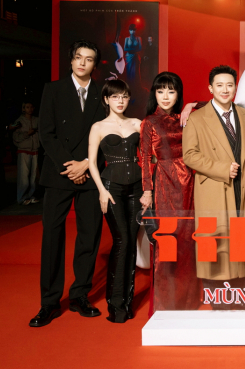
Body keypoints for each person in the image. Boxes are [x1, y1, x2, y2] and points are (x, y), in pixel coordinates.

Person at [30, 40, 105, 328]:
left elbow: (108, 135)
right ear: (71, 60)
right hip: (59, 173)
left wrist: (86, 163)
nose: (82, 63)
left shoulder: (102, 93)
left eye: (89, 59)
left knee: (89, 236)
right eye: (78, 57)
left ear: (95, 65)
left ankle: (80, 295)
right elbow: (46, 134)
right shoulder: (53, 90)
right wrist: (70, 165)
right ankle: (49, 302)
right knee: (52, 236)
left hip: (90, 173)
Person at [183, 65, 245, 310]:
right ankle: (219, 299)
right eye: (219, 85)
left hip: (242, 188)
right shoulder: (197, 118)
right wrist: (221, 168)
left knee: (241, 240)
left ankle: (241, 296)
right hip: (214, 188)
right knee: (215, 242)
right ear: (210, 88)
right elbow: (189, 155)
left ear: (235, 87)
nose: (225, 90)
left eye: (229, 85)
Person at [139, 72, 199, 313]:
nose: (165, 96)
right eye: (160, 90)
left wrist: (192, 105)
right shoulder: (149, 122)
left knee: (188, 240)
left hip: (190, 183)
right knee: (168, 240)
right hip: (165, 182)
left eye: (171, 91)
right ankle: (167, 302)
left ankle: (188, 300)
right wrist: (147, 191)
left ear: (178, 94)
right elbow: (144, 159)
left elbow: (214, 104)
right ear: (154, 93)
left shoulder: (186, 117)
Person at [87, 80, 142, 323]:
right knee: (122, 241)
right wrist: (101, 190)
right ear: (106, 99)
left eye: (124, 96)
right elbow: (91, 162)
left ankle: (127, 303)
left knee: (131, 244)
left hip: (137, 188)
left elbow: (150, 155)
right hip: (111, 189)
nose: (120, 101)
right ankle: (115, 303)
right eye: (115, 96)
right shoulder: (98, 127)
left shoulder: (137, 123)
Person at [12, 101, 40, 205]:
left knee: (33, 177)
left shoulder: (36, 120)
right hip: (24, 150)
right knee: (23, 176)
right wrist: (27, 134)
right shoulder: (19, 121)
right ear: (23, 109)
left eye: (31, 107)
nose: (30, 109)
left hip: (34, 150)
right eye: (27, 107)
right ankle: (22, 197)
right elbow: (15, 137)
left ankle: (31, 195)